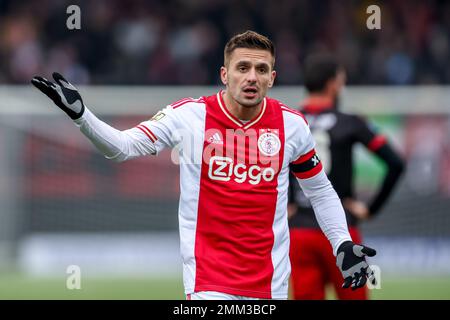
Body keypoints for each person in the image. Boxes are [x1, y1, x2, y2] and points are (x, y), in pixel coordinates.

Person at [31, 30, 376, 300]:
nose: (251, 77)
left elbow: (321, 191)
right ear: (225, 74)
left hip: (271, 282)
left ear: (272, 77)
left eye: (261, 69)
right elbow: (123, 147)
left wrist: (341, 243)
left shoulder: (292, 126)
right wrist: (82, 116)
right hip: (209, 281)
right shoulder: (190, 116)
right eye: (243, 68)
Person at [288, 54, 404, 300]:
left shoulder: (288, 122)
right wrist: (371, 208)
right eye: (342, 81)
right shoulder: (351, 122)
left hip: (299, 232)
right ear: (332, 84)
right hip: (342, 231)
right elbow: (396, 163)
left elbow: (270, 166)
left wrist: (287, 203)